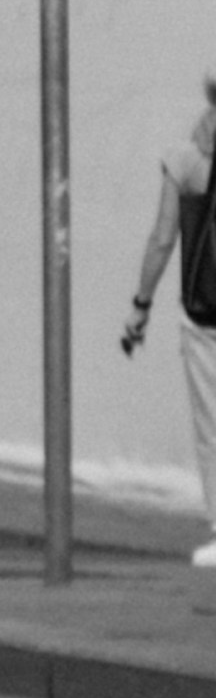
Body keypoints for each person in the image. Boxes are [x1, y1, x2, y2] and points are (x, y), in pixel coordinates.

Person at [121, 74, 216, 566]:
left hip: (205, 317)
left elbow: (162, 239)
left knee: (212, 427)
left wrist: (141, 306)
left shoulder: (185, 157)